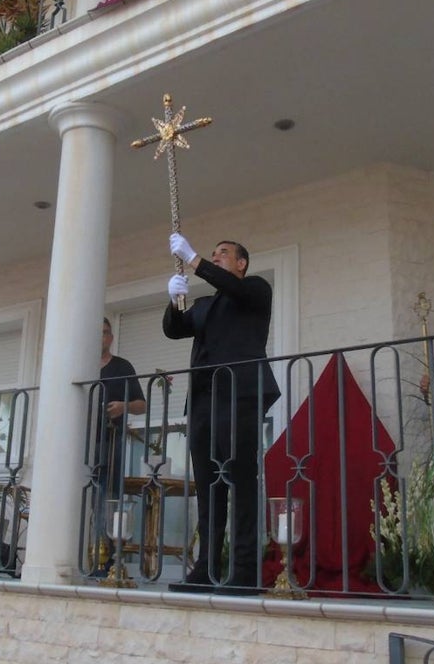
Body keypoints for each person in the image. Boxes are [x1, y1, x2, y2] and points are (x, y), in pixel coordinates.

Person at [162, 233, 280, 595]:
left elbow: (231, 286)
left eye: (223, 254)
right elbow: (174, 330)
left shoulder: (255, 290)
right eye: (214, 254)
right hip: (203, 400)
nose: (217, 258)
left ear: (241, 263)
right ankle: (207, 567)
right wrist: (172, 300)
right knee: (209, 486)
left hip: (240, 395)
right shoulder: (204, 304)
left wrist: (195, 260)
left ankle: (244, 570)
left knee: (241, 482)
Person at [90, 318, 146, 576]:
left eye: (103, 333)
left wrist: (122, 406)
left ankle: (105, 560)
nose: (99, 338)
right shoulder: (79, 365)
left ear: (110, 337)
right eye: (95, 333)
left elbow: (141, 405)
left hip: (110, 441)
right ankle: (81, 555)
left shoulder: (122, 366)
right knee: (82, 498)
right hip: (80, 442)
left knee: (106, 497)